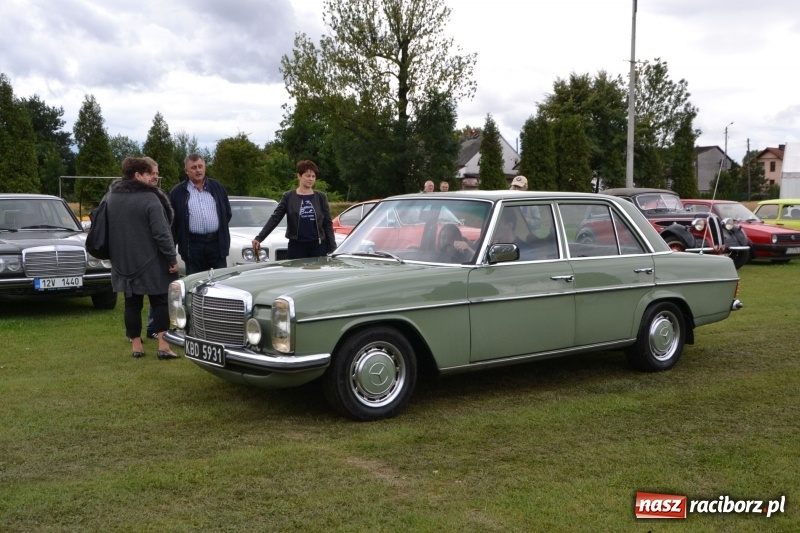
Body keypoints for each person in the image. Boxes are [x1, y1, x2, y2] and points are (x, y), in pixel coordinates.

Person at [107, 157, 180, 359]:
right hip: (152, 261)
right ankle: (163, 346)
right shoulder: (150, 198)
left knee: (131, 303)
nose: (152, 177)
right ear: (138, 175)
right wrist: (171, 258)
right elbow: (162, 233)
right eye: (148, 173)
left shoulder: (111, 197)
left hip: (123, 262)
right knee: (160, 301)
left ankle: (137, 347)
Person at [251, 160, 337, 259]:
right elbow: (275, 218)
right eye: (308, 176)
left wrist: (333, 246)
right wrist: (260, 238)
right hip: (297, 246)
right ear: (299, 176)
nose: (311, 179)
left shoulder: (321, 197)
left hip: (318, 245)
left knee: (316, 269)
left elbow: (327, 223)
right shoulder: (288, 196)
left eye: (313, 176)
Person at [169, 154, 232, 275]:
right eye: (193, 167)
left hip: (216, 244)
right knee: (195, 281)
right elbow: (173, 223)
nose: (198, 170)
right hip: (192, 245)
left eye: (200, 166)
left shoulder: (217, 187)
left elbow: (227, 213)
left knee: (219, 280)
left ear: (205, 167)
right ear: (186, 170)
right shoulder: (178, 192)